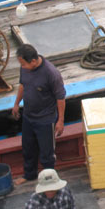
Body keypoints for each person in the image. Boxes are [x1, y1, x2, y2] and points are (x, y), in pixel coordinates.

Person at [12, 44, 66, 186]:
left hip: (46, 120)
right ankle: (29, 175)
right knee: (28, 148)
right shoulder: (25, 68)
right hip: (29, 117)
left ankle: (50, 181)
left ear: (34, 62)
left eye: (23, 64)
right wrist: (17, 103)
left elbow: (60, 98)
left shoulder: (51, 73)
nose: (22, 67)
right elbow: (23, 85)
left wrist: (60, 121)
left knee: (47, 154)